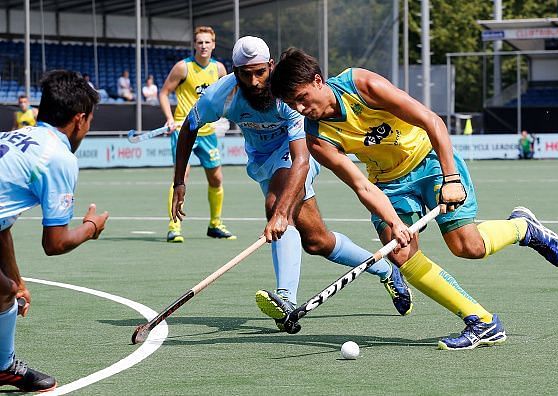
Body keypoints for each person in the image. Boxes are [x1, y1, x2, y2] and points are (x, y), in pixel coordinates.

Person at [270, 48, 558, 350]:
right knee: (400, 253)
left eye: (302, 97)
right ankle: (482, 321)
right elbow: (361, 185)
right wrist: (394, 222)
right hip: (387, 182)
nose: (300, 107)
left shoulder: (360, 85)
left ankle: (523, 228)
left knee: (468, 247)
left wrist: (451, 178)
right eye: (293, 103)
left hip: (429, 161)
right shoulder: (317, 137)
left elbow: (431, 120)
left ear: (318, 81)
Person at [172, 37, 412, 330]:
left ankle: (286, 298)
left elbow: (301, 159)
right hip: (262, 164)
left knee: (276, 205)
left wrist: (282, 212)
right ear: (234, 72)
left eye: (260, 72)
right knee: (317, 241)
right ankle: (386, 269)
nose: (255, 81)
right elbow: (189, 126)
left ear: (271, 66)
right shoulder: (220, 95)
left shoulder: (288, 96)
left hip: (296, 156)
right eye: (245, 74)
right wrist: (179, 183)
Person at [0, 70, 109, 391]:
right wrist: (91, 227)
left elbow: (1, 227)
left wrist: (18, 283)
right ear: (79, 119)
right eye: (89, 121)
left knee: (5, 291)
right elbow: (55, 243)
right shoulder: (58, 157)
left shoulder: (13, 138)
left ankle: (4, 367)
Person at [159, 26, 234, 242]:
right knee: (182, 176)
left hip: (208, 131)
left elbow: (230, 95)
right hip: (185, 130)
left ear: (213, 44)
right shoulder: (183, 68)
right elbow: (164, 93)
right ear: (194, 44)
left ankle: (215, 224)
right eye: (199, 42)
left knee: (216, 178)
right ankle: (174, 226)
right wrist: (170, 118)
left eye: (207, 42)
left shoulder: (219, 69)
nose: (203, 46)